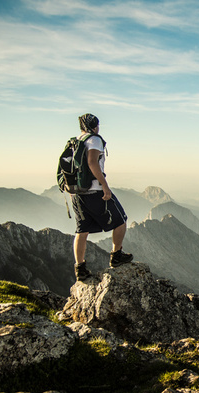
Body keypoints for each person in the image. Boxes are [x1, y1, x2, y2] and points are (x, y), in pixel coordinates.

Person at [72, 113, 133, 280]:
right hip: (95, 191)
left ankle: (80, 268)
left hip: (77, 193)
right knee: (121, 220)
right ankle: (116, 255)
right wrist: (104, 186)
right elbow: (92, 162)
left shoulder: (76, 141)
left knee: (82, 230)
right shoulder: (94, 139)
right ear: (95, 125)